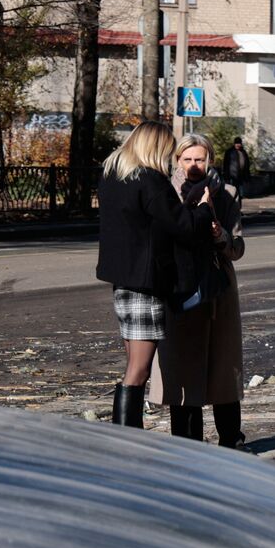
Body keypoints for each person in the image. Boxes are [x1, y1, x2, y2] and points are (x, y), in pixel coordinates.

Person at [96, 121, 214, 428]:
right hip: (145, 283)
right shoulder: (150, 180)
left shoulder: (113, 176)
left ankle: (126, 437)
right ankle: (127, 440)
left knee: (134, 364)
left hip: (122, 279)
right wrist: (202, 210)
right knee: (139, 368)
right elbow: (182, 226)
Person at [149, 134, 248, 448]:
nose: (194, 165)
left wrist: (220, 237)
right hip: (181, 286)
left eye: (200, 159)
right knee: (183, 367)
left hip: (219, 288)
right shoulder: (165, 193)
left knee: (223, 367)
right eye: (187, 159)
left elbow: (238, 247)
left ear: (211, 161)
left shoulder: (228, 193)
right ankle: (187, 445)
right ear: (177, 160)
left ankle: (230, 441)